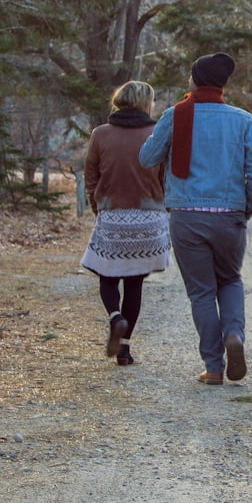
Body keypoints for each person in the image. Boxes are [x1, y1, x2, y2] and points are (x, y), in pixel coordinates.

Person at [139, 52, 252, 386]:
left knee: (201, 292)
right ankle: (234, 334)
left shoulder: (176, 115)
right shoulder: (242, 119)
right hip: (229, 216)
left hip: (187, 215)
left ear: (195, 80)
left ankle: (213, 367)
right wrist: (248, 205)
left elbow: (147, 157)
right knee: (230, 279)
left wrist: (166, 134)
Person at [81, 81, 170, 366]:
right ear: (146, 103)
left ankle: (114, 317)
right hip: (149, 218)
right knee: (134, 284)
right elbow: (166, 177)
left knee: (106, 276)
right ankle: (125, 350)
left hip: (112, 214)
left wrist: (100, 208)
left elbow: (91, 176)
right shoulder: (157, 133)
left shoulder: (100, 134)